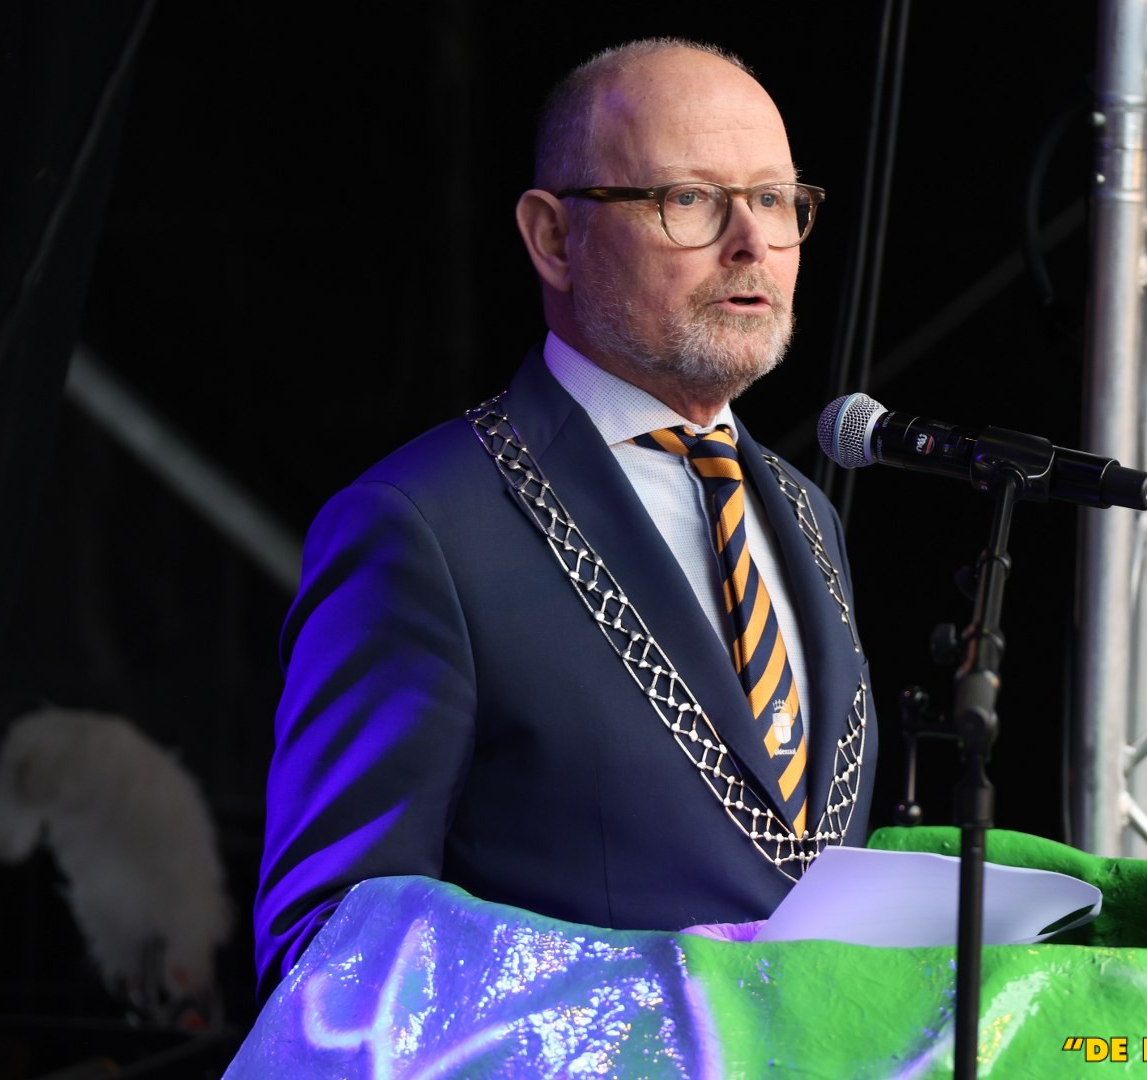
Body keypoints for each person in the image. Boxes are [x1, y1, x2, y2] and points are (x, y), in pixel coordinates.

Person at [253, 38, 878, 996]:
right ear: (553, 238)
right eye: (691, 200)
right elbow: (329, 952)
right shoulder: (420, 526)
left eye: (774, 199)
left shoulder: (805, 512)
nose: (752, 242)